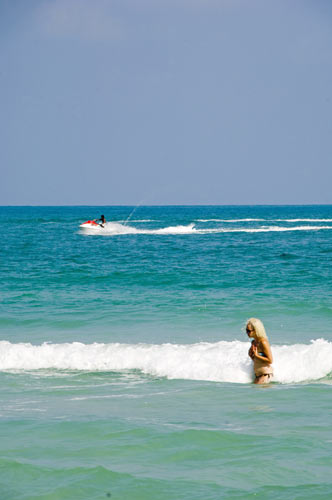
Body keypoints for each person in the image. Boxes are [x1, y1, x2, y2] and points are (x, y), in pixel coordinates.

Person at [246, 318, 273, 384]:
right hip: (258, 377)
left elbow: (270, 360)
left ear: (256, 330)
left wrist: (256, 355)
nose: (247, 332)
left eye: (249, 331)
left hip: (265, 375)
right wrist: (251, 356)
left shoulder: (263, 342)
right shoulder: (254, 342)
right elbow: (257, 361)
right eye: (246, 330)